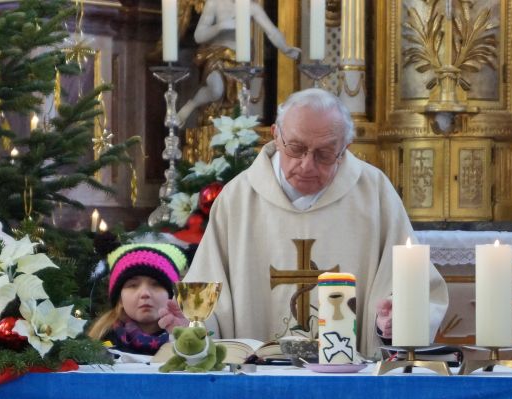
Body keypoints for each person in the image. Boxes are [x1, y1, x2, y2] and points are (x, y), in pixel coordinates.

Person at [186, 88, 449, 355]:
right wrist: (192, 327)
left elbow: (414, 291)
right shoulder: (238, 198)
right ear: (276, 135)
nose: (307, 165)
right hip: (257, 374)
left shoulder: (374, 193)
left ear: (344, 149)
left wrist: (393, 320)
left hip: (350, 374)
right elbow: (207, 299)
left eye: (324, 154)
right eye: (296, 148)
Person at [175, 0, 301, 128]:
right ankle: (190, 105)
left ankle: (233, 130)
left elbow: (272, 32)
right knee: (216, 90)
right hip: (217, 55)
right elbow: (199, 36)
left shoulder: (252, 8)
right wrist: (220, 26)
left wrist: (285, 48)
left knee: (237, 100)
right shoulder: (214, 3)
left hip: (239, 60)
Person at [88, 243, 190, 356]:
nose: (145, 293)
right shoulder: (99, 344)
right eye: (133, 285)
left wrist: (189, 340)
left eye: (156, 284)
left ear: (172, 295)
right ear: (120, 299)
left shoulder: (191, 338)